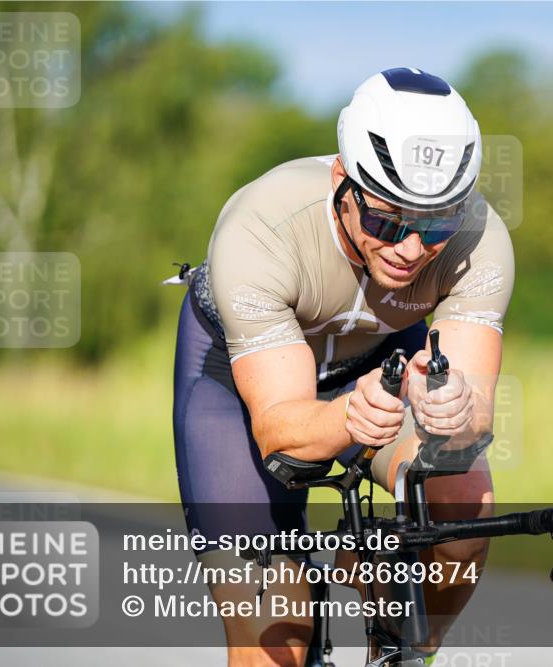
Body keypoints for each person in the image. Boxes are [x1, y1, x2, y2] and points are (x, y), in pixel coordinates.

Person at [172, 67, 514, 667]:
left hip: (380, 359)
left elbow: (473, 417)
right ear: (343, 181)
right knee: (274, 630)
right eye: (387, 220)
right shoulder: (261, 227)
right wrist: (349, 419)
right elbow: (281, 430)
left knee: (466, 500)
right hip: (239, 382)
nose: (411, 249)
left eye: (435, 224)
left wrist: (457, 412)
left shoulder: (479, 239)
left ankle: (411, 650)